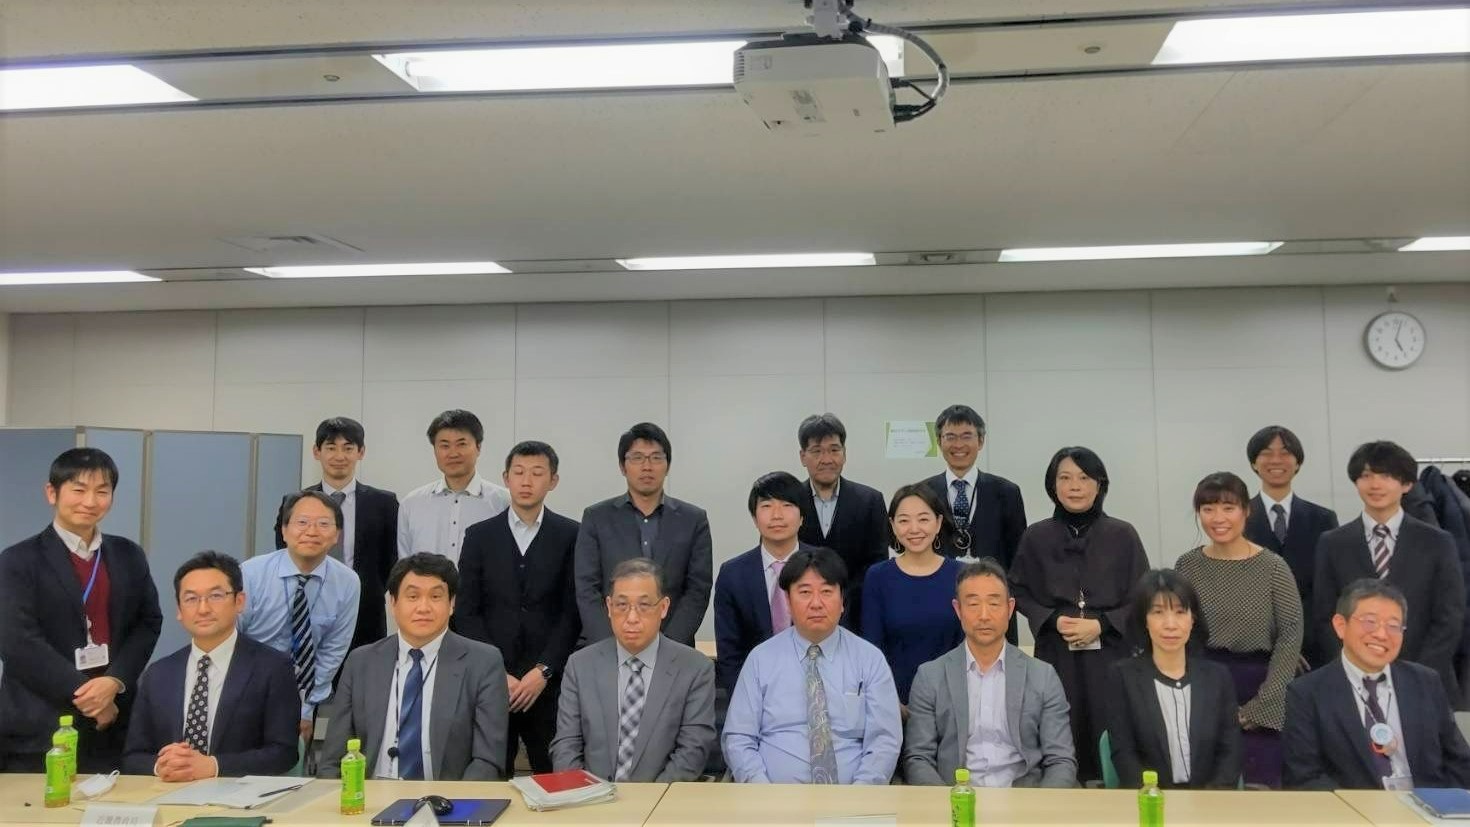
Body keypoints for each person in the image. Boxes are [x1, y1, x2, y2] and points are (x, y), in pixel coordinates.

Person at [0, 448, 162, 773]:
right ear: (52, 493)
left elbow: (148, 622)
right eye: (78, 489)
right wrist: (87, 696)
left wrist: (114, 681)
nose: (90, 501)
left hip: (114, 721)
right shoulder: (18, 560)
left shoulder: (128, 554)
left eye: (102, 491)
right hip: (39, 726)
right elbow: (17, 641)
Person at [1009, 446, 1149, 783]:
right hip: (1056, 652)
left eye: (1084, 478)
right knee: (1059, 731)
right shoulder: (1036, 536)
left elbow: (1143, 595)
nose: (1075, 486)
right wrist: (1051, 618)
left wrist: (1102, 624)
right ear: (1052, 485)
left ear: (1100, 484)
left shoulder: (1123, 534)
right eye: (1065, 478)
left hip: (1111, 652)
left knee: (1111, 730)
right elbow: (1017, 590)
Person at [320, 554, 510, 781]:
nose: (423, 607)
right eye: (413, 596)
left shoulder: (483, 662)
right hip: (369, 796)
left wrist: (452, 801)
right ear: (393, 603)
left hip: (447, 798)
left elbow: (487, 760)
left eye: (435, 596)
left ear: (451, 604)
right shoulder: (361, 662)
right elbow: (333, 760)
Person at [722, 548, 901, 784]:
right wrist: (762, 792)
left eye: (826, 592)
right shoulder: (761, 659)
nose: (816, 603)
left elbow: (884, 741)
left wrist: (860, 794)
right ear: (788, 601)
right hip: (773, 798)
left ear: (842, 600)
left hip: (853, 797)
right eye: (805, 592)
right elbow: (739, 738)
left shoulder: (869, 659)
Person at [454, 441, 581, 775]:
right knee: (489, 775)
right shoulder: (479, 536)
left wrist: (544, 670)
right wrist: (497, 671)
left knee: (554, 775)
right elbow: (466, 611)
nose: (527, 481)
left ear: (553, 481)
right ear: (505, 478)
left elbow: (573, 611)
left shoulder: (572, 535)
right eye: (519, 472)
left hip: (549, 684)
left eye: (537, 473)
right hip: (492, 682)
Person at [1174, 471, 1302, 788]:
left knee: (1259, 790)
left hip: (1259, 684)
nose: (1218, 518)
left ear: (1246, 510)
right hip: (1202, 687)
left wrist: (1260, 708)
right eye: (1208, 509)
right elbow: (1177, 634)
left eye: (1228, 508)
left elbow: (1290, 636)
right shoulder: (1187, 566)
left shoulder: (1273, 567)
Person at [123, 552, 298, 780]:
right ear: (179, 610)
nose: (203, 609)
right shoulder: (158, 674)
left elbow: (284, 753)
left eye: (215, 596)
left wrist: (213, 766)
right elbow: (133, 755)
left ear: (239, 602)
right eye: (191, 599)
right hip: (169, 792)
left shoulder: (273, 667)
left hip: (238, 795)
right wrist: (162, 766)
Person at [903, 559, 1076, 788]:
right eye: (973, 604)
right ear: (958, 609)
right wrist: (950, 803)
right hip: (956, 797)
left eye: (994, 603)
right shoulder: (930, 677)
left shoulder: (1042, 676)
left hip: (1025, 799)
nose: (984, 615)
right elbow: (918, 758)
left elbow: (1061, 760)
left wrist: (1040, 806)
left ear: (1010, 608)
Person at [1283, 579, 1470, 790]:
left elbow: (1460, 762)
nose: (1381, 635)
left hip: (1426, 806)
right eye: (1370, 622)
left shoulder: (1426, 682)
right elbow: (1303, 776)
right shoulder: (1306, 693)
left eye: (1393, 626)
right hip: (1352, 807)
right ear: (1341, 626)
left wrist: (1444, 804)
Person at [1312, 441, 1464, 697]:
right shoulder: (1333, 542)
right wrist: (1353, 668)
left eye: (1386, 476)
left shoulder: (1437, 542)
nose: (1375, 485)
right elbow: (1325, 615)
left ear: (1407, 484)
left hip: (1427, 681)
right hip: (1353, 682)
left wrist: (1416, 674)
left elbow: (1450, 617)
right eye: (1366, 476)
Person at [551, 558, 716, 782]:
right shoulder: (580, 665)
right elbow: (566, 746)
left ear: (664, 607)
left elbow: (692, 752)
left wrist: (648, 799)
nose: (631, 618)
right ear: (609, 607)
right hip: (591, 798)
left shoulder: (695, 669)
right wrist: (582, 795)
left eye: (644, 606)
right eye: (622, 605)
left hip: (662, 799)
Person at [238, 490, 360, 748]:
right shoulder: (251, 574)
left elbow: (333, 649)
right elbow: (233, 637)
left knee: (295, 760)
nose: (312, 531)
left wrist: (305, 709)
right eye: (302, 522)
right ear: (284, 531)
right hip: (247, 689)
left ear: (337, 535)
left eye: (323, 524)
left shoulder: (347, 581)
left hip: (306, 695)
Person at [574, 422, 713, 647]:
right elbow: (587, 588)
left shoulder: (693, 519)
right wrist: (613, 645)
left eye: (656, 458)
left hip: (673, 650)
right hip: (609, 647)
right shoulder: (596, 518)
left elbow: (698, 589)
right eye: (637, 458)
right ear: (623, 466)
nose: (647, 466)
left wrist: (666, 647)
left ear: (667, 465)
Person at [1106, 569, 1241, 789]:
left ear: (1192, 619)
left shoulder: (1217, 677)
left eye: (1180, 612)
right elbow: (1124, 754)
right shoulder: (1122, 677)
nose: (1170, 624)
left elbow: (1230, 751)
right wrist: (1154, 798)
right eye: (1158, 612)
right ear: (1144, 620)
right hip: (1149, 800)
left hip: (1211, 801)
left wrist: (1210, 800)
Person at [274, 417, 399, 651]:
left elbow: (391, 559)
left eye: (348, 448)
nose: (339, 456)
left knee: (363, 670)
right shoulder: (295, 502)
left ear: (361, 452)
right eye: (331, 448)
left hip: (365, 612)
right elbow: (284, 553)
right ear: (316, 452)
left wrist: (367, 591)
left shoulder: (384, 503)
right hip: (305, 607)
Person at [923, 405, 1026, 643]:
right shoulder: (923, 493)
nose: (958, 445)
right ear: (939, 442)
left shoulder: (1007, 492)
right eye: (950, 437)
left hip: (992, 609)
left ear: (980, 441)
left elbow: (1018, 557)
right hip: (938, 606)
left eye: (966, 436)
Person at [714, 472, 821, 694]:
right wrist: (747, 698)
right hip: (754, 691)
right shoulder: (733, 574)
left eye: (787, 505)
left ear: (802, 516)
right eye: (767, 506)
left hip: (817, 689)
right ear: (755, 518)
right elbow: (729, 652)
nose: (777, 515)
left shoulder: (824, 566)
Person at [1241, 425, 1339, 666]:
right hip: (1254, 648)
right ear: (1254, 463)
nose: (1276, 460)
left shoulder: (1323, 519)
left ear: (1297, 463)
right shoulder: (1237, 519)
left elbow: (1328, 589)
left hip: (1314, 648)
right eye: (1266, 453)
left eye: (1285, 453)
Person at [861, 483, 964, 707]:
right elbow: (872, 647)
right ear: (892, 525)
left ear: (938, 522)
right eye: (904, 520)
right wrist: (892, 703)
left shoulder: (961, 575)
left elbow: (967, 644)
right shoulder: (878, 576)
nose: (914, 529)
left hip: (953, 702)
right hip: (894, 703)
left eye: (923, 519)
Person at [794, 414, 888, 629]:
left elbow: (877, 562)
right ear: (802, 456)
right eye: (817, 451)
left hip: (857, 615)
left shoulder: (870, 500)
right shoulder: (790, 501)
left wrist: (842, 598)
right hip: (801, 616)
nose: (826, 459)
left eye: (834, 450)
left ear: (844, 454)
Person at [397, 409, 510, 564]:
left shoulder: (504, 502)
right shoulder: (412, 504)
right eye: (445, 445)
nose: (453, 453)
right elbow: (405, 565)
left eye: (461, 444)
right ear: (434, 450)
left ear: (478, 447)